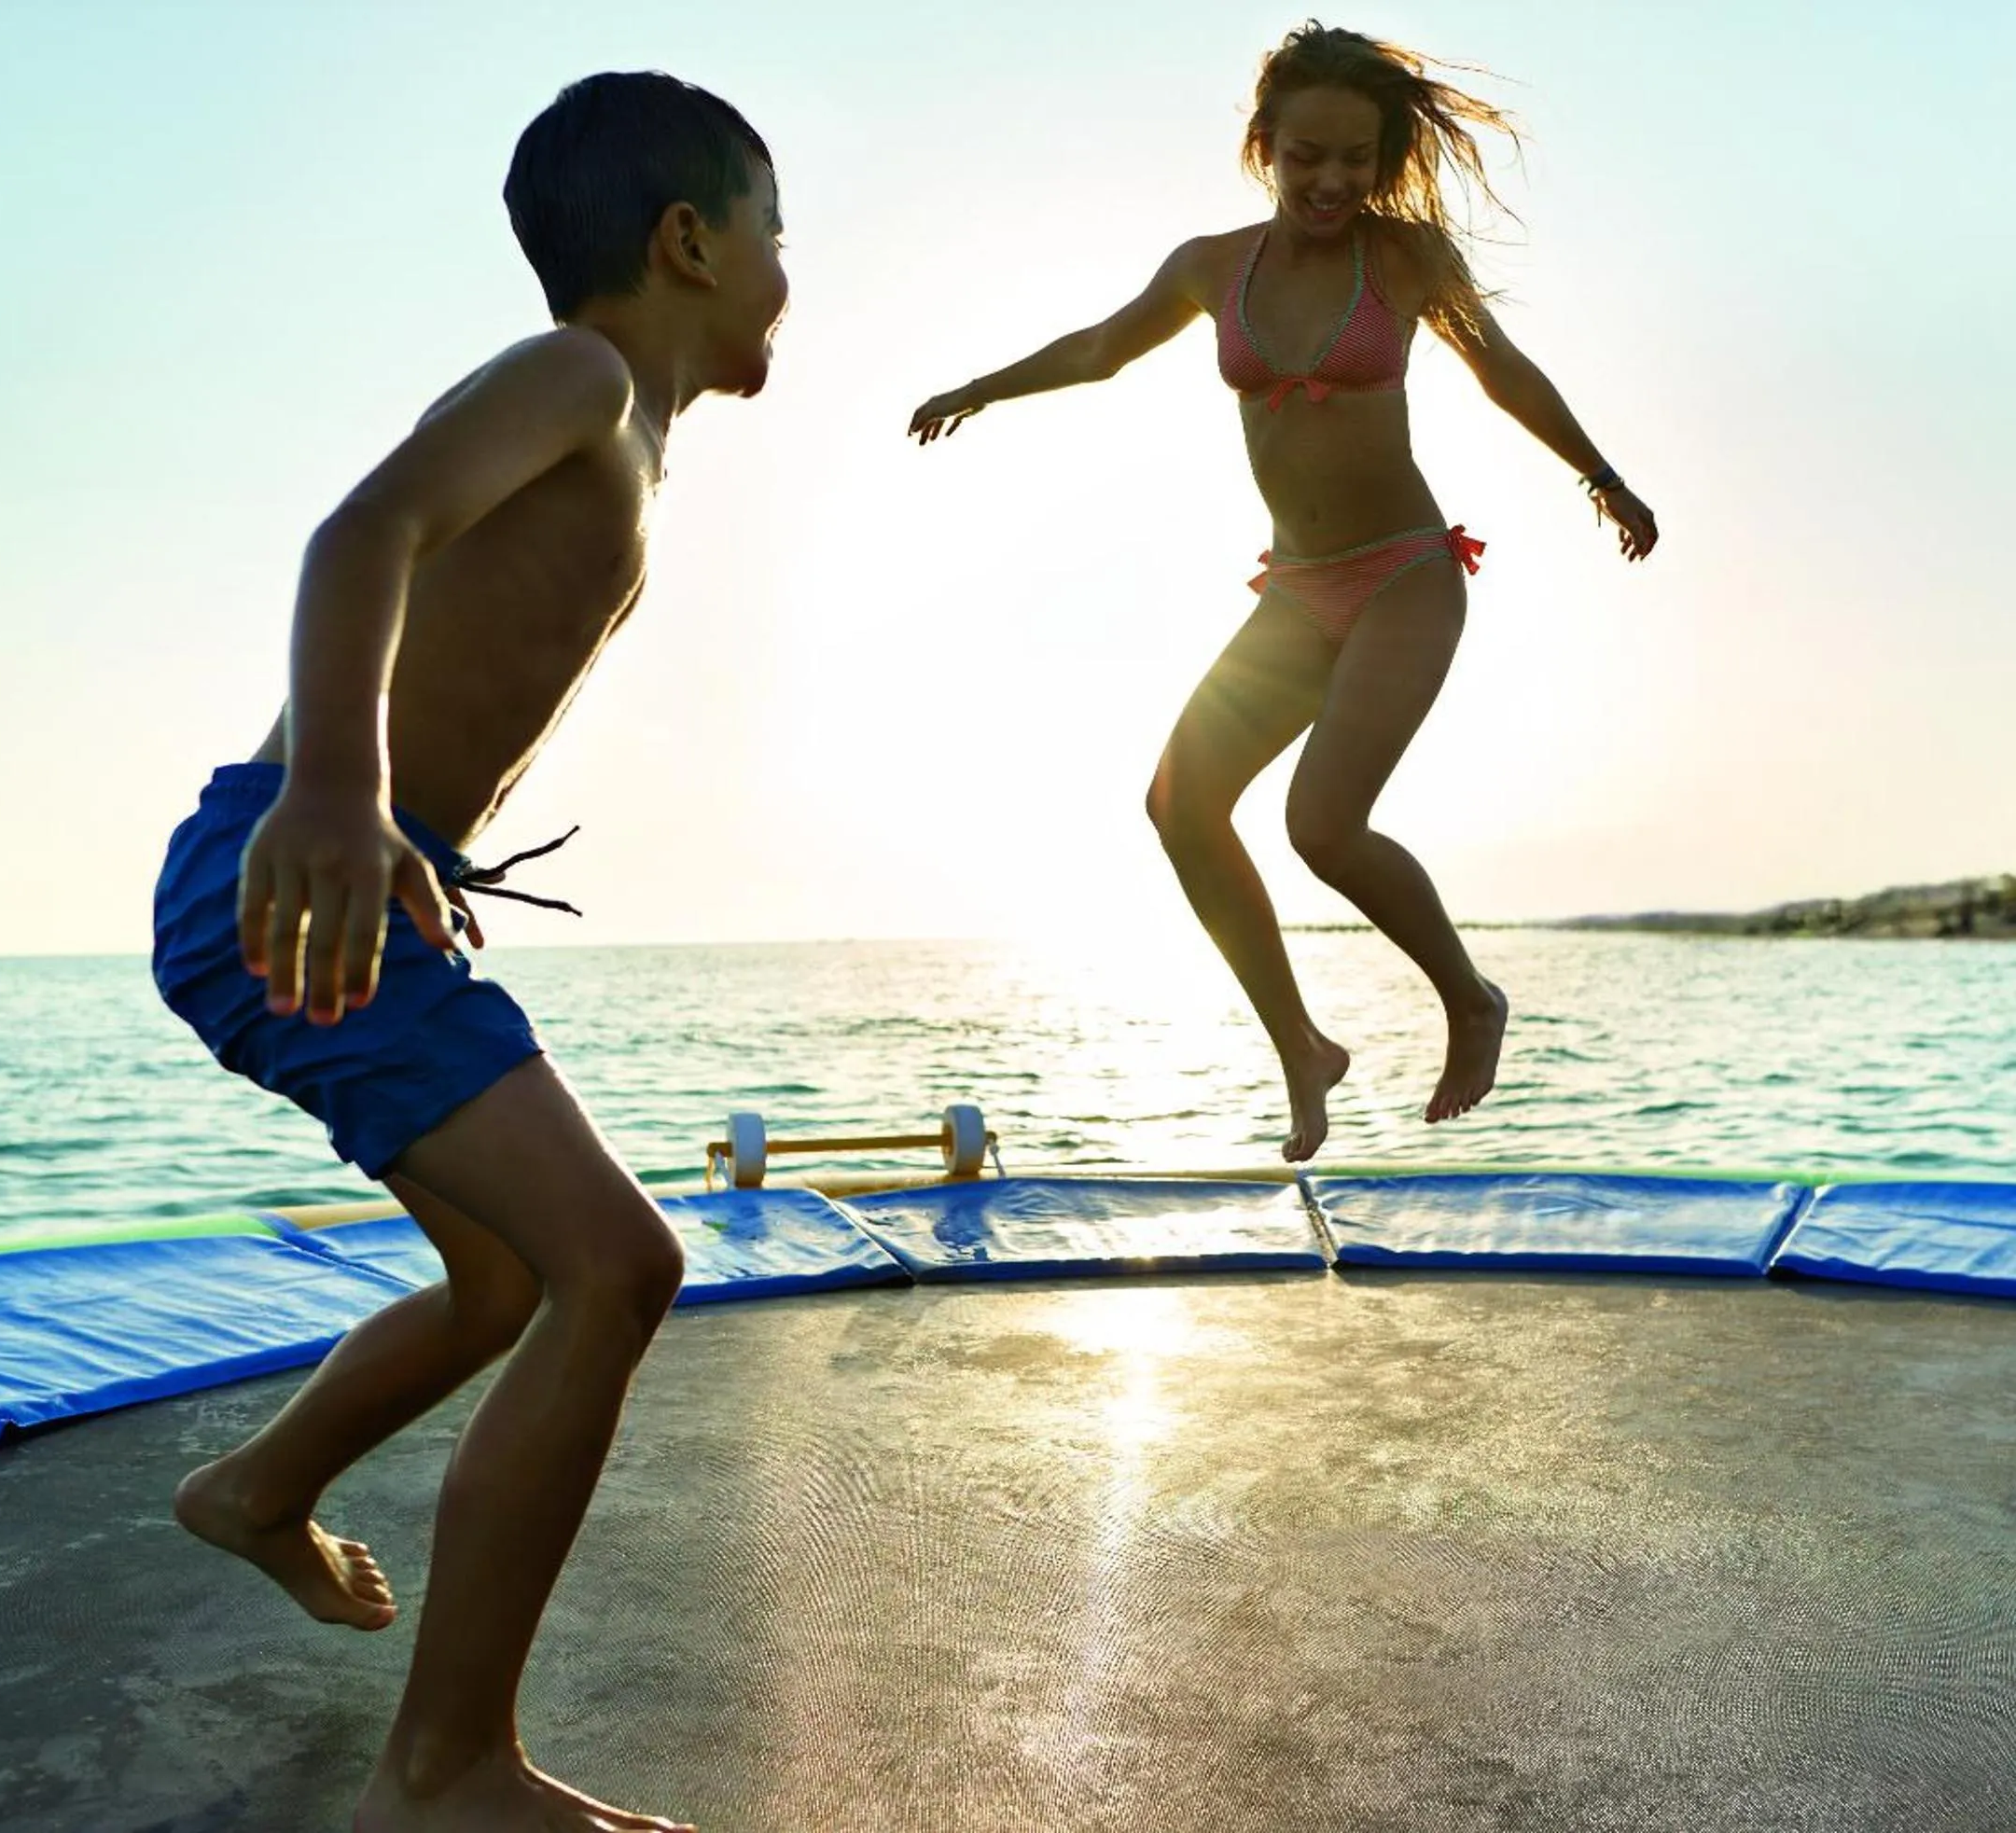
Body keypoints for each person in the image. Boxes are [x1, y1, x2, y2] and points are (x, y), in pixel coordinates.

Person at [148, 71, 787, 1832]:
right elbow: (362, 531)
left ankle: (260, 1491)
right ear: (686, 241)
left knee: (508, 1278)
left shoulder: (632, 436)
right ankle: (443, 1774)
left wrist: (405, 837)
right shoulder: (579, 377)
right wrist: (345, 799)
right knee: (616, 1266)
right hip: (288, 861)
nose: (784, 266)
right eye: (771, 228)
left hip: (359, 868)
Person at [908, 21, 1660, 1163]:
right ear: (1265, 147)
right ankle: (1301, 1047)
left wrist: (1601, 478)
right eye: (1306, 154)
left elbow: (1501, 369)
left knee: (1320, 824)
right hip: (1297, 590)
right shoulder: (1214, 267)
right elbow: (1104, 347)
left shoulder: (1405, 262)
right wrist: (980, 386)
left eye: (1354, 159)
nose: (1330, 180)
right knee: (1179, 805)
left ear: (1383, 160)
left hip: (1407, 573)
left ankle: (1468, 996)